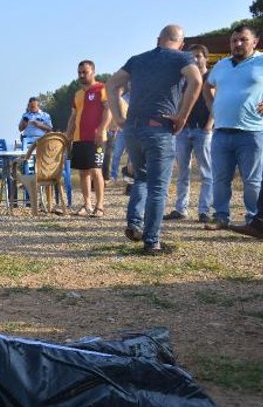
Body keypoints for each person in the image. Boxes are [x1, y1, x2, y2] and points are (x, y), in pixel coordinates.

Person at [106, 25, 202, 255]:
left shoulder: (137, 60)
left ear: (158, 39)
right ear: (181, 42)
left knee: (141, 178)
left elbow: (110, 85)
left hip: (132, 129)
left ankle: (135, 223)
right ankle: (152, 242)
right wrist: (182, 116)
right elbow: (197, 81)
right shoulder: (183, 57)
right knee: (158, 187)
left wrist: (119, 117)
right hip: (159, 129)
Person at [202, 25, 263, 231]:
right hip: (221, 132)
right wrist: (213, 108)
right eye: (234, 40)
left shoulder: (261, 61)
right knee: (220, 178)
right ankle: (221, 216)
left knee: (252, 180)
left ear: (255, 42)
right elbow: (207, 85)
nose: (237, 44)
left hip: (253, 132)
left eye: (243, 40)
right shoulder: (221, 65)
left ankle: (254, 220)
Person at [163, 44, 214, 223]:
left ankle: (204, 210)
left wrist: (209, 125)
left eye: (199, 56)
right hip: (184, 130)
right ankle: (180, 208)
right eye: (192, 56)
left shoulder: (211, 78)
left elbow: (216, 103)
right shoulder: (185, 80)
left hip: (203, 130)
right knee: (183, 172)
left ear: (206, 58)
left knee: (206, 172)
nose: (195, 59)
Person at [65, 60, 111, 217]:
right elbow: (73, 117)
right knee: (83, 172)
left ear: (93, 72)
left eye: (85, 72)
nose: (81, 75)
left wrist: (102, 129)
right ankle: (87, 205)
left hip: (96, 138)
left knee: (96, 170)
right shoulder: (77, 94)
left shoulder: (101, 88)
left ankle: (100, 206)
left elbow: (108, 110)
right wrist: (68, 135)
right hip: (79, 138)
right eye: (79, 72)